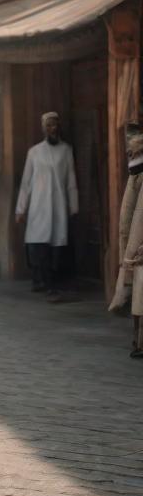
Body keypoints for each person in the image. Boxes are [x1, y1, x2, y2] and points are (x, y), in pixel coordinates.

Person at [16, 111, 78, 301]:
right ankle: (43, 281)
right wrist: (21, 209)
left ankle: (52, 283)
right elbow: (26, 182)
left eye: (55, 125)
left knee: (56, 245)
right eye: (48, 125)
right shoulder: (34, 152)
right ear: (43, 128)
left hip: (58, 205)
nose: (52, 128)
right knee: (38, 243)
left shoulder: (66, 150)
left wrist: (73, 205)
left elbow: (71, 180)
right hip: (39, 205)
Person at [110, 125, 143, 357]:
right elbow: (127, 222)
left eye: (136, 154)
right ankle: (137, 340)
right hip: (135, 252)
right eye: (130, 154)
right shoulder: (135, 179)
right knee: (137, 300)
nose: (132, 159)